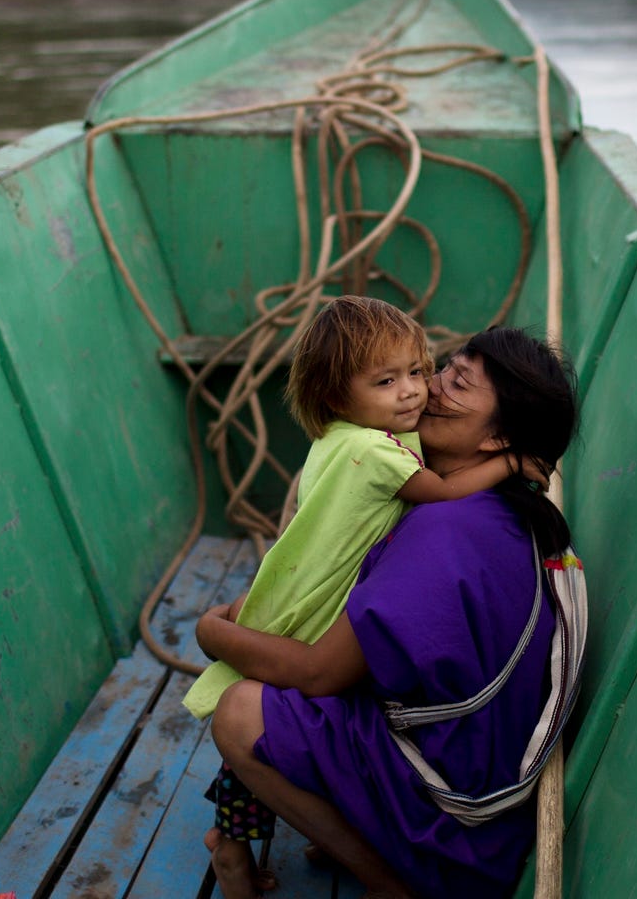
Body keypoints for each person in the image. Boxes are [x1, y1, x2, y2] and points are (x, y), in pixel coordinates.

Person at [196, 327, 579, 899]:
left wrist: (211, 631)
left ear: (499, 438)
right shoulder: (497, 508)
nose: (428, 388)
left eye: (458, 382)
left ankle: (392, 885)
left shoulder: (443, 529)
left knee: (239, 711)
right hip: (480, 770)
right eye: (442, 368)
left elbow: (319, 674)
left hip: (456, 821)